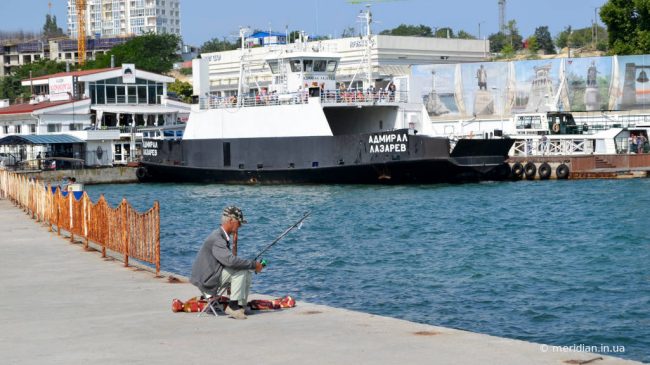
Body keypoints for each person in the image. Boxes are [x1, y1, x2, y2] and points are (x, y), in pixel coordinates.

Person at [190, 206, 264, 319]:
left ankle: (241, 305)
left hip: (212, 275)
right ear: (230, 221)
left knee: (246, 270)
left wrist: (251, 266)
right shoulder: (217, 238)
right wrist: (254, 264)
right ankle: (233, 307)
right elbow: (230, 261)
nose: (240, 226)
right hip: (207, 281)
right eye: (239, 223)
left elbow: (228, 261)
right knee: (241, 269)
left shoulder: (221, 236)